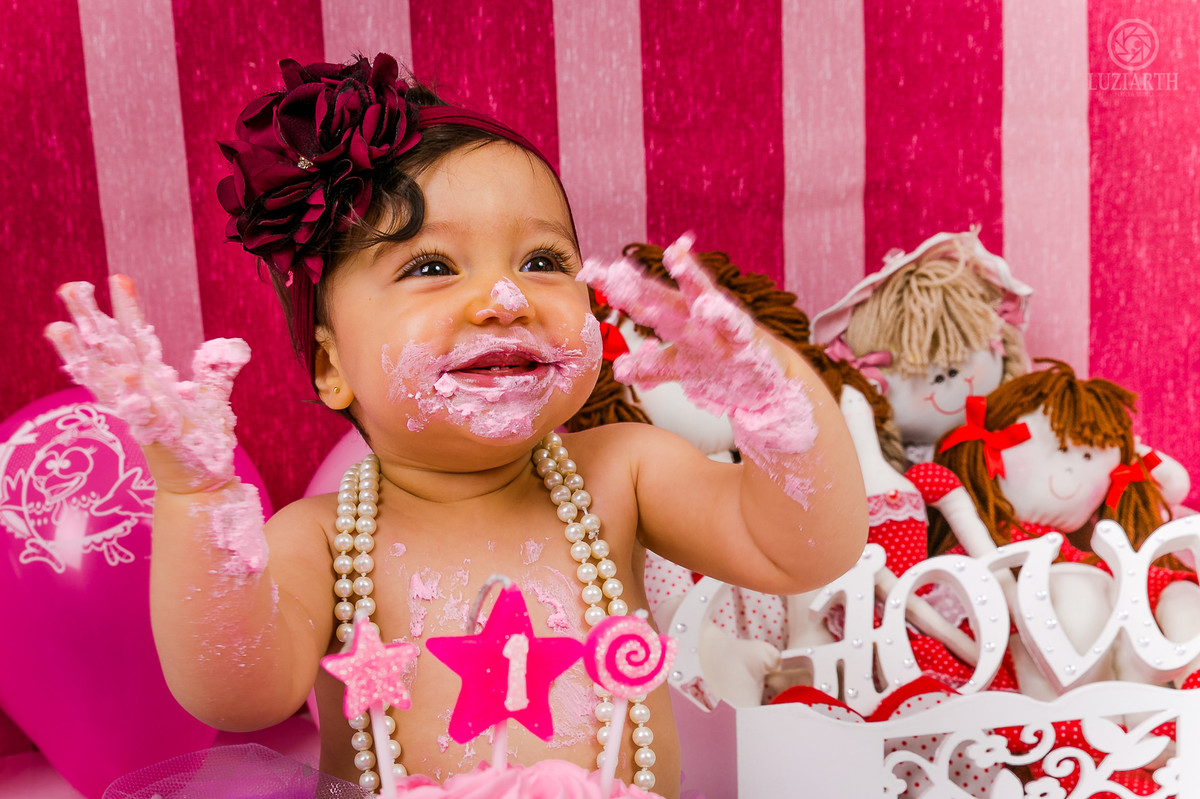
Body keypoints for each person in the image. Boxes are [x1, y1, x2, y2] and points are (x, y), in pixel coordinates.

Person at [44, 53, 867, 796]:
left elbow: (799, 550)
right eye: (432, 265)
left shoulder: (623, 471)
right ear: (331, 366)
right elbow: (236, 692)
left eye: (542, 261)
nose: (504, 298)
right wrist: (196, 499)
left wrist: (778, 403)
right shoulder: (321, 538)